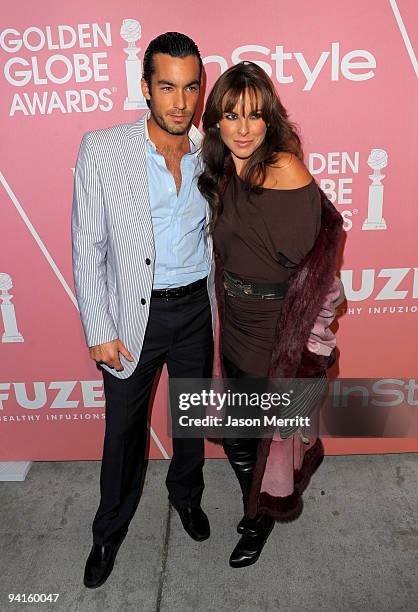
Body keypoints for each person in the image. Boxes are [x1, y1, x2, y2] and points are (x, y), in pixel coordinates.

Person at [71, 32, 216, 589]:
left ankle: (186, 495)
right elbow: (87, 247)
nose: (180, 101)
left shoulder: (212, 150)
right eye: (167, 87)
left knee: (190, 418)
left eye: (190, 88)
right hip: (135, 318)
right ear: (146, 89)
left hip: (195, 311)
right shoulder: (102, 149)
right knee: (123, 433)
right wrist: (99, 329)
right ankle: (108, 530)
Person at [198, 61, 344, 568]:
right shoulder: (221, 170)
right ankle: (252, 503)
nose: (242, 128)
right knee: (239, 437)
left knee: (269, 437)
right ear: (216, 118)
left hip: (275, 332)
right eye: (231, 115)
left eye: (254, 116)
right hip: (234, 326)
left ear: (270, 120)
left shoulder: (284, 168)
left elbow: (309, 261)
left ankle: (258, 518)